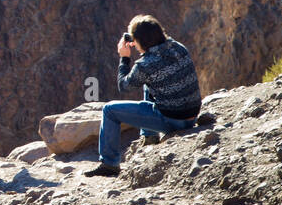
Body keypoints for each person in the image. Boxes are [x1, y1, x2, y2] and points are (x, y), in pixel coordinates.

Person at [86, 15, 201, 177]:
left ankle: (109, 164)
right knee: (151, 82)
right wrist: (142, 42)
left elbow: (124, 85)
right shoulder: (178, 47)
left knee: (109, 110)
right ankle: (150, 137)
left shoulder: (145, 64)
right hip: (192, 116)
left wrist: (124, 58)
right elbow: (157, 53)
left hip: (174, 121)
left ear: (141, 41)